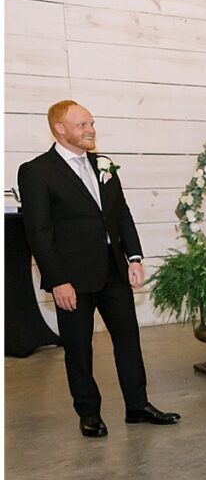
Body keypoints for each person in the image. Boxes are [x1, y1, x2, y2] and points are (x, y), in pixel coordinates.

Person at [18, 100, 180, 437]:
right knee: (79, 347)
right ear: (59, 129)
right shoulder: (36, 171)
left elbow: (121, 213)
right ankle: (88, 412)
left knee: (128, 339)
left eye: (92, 124)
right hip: (72, 277)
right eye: (82, 125)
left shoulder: (103, 164)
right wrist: (57, 280)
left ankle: (138, 405)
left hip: (113, 269)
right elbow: (38, 233)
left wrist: (133, 257)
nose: (90, 130)